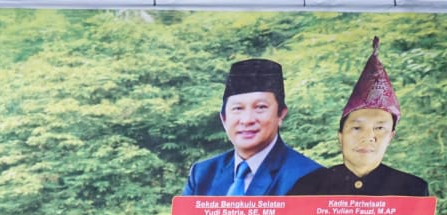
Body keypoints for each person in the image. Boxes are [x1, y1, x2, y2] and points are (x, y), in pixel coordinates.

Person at [290, 38, 429, 197]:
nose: (368, 137)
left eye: (379, 128)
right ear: (340, 136)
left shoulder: (413, 189)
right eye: (357, 128)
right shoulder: (308, 187)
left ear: (390, 136)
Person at [181, 59, 321, 196]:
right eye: (237, 108)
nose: (247, 120)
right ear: (224, 119)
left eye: (260, 107)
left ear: (281, 115)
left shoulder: (310, 177)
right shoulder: (202, 174)